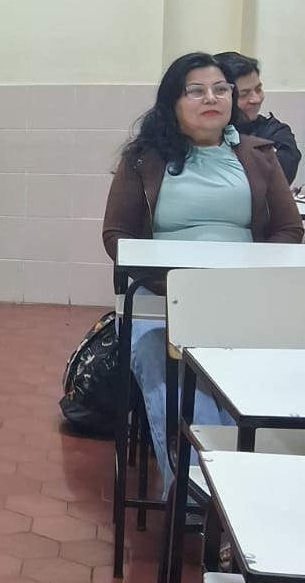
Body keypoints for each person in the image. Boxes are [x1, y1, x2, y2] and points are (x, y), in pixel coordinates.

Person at [101, 51, 303, 489]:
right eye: (195, 91)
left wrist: (250, 276)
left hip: (246, 294)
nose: (211, 98)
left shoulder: (260, 154)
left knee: (252, 382)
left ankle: (248, 489)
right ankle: (201, 495)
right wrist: (178, 286)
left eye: (220, 89)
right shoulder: (143, 159)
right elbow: (117, 236)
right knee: (163, 365)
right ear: (173, 102)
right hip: (166, 296)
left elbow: (289, 230)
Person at [215, 50, 301, 187]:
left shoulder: (275, 133)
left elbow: (273, 182)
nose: (256, 99)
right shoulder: (201, 135)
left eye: (258, 89)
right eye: (244, 94)